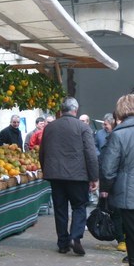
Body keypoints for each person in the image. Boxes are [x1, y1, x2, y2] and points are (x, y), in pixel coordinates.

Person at [39, 97, 99, 256]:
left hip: (55, 175)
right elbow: (91, 154)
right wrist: (94, 177)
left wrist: (46, 170)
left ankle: (63, 243)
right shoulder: (82, 127)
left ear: (62, 109)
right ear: (75, 110)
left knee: (60, 209)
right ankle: (75, 237)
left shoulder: (50, 128)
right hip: (77, 175)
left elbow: (42, 152)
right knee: (79, 206)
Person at [100, 95, 134, 266]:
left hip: (128, 194)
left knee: (131, 235)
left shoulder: (118, 135)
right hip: (129, 191)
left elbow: (108, 169)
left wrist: (105, 188)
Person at [96, 112, 126, 252]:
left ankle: (121, 239)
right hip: (122, 181)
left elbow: (107, 165)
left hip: (115, 181)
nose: (104, 126)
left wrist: (104, 188)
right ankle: (124, 238)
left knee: (115, 211)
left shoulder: (114, 139)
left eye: (106, 124)